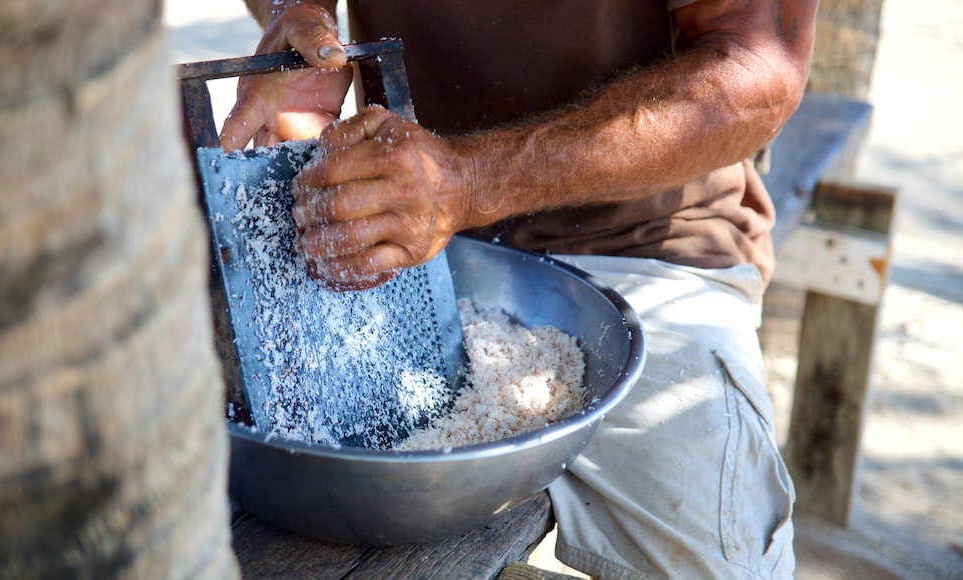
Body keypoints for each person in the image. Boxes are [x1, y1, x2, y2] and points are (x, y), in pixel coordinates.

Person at [222, 1, 817, 577]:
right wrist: (294, 11)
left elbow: (757, 73)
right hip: (396, 224)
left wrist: (469, 180)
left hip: (643, 252)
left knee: (717, 562)